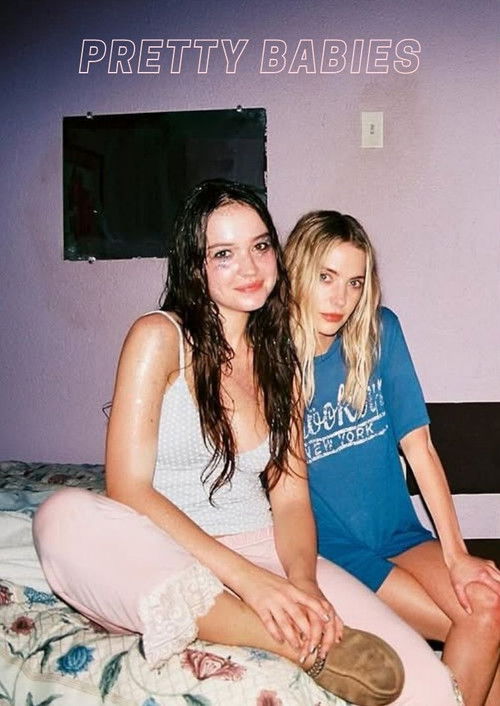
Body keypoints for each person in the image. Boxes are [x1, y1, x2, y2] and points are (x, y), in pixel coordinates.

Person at [34, 182, 460, 706]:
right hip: (166, 546)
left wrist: (301, 581)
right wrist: (253, 586)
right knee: (62, 516)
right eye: (224, 254)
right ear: (196, 266)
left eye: (260, 246)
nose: (250, 267)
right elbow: (128, 488)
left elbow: (290, 497)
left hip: (262, 546)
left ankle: (266, 619)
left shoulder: (283, 357)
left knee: (427, 683)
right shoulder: (159, 337)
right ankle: (276, 637)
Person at [284, 210, 500, 706]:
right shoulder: (272, 360)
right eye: (326, 278)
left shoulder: (380, 332)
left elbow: (420, 448)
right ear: (297, 273)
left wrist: (456, 555)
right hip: (334, 553)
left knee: (487, 606)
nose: (340, 299)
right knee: (484, 628)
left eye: (354, 282)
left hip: (399, 534)